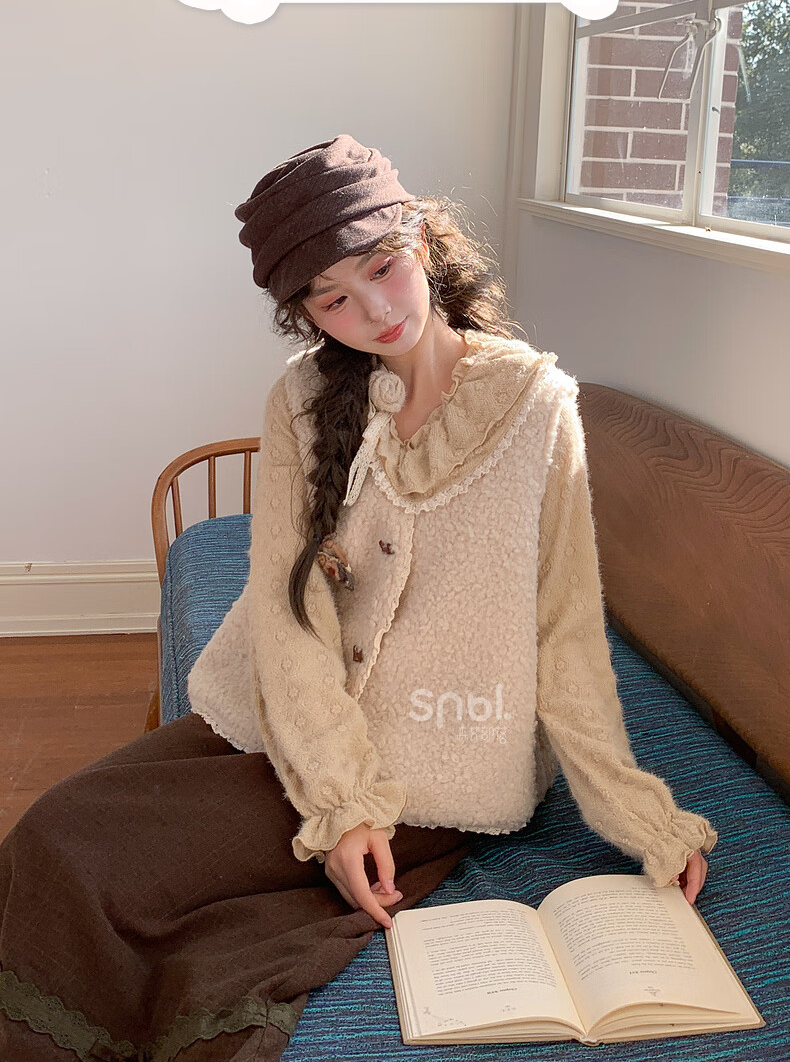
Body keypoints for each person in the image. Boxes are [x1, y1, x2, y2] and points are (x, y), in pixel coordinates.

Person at [0, 134, 717, 1061]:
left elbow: (566, 630)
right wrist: (340, 803)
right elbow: (286, 611)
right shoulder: (301, 401)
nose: (375, 310)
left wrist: (642, 817)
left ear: (425, 240)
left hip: (431, 765)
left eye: (383, 267)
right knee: (54, 831)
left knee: (86, 866)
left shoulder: (535, 406)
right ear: (303, 314)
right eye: (333, 298)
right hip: (289, 723)